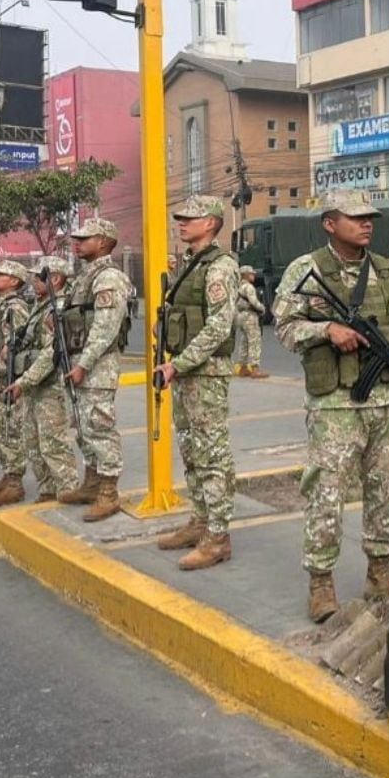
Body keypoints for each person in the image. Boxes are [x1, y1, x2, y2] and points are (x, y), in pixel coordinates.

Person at [274, 191, 389, 623]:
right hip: (335, 406)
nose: (367, 224)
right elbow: (285, 329)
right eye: (356, 217)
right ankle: (321, 581)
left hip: (387, 400)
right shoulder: (304, 270)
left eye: (370, 218)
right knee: (326, 492)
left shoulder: (388, 273)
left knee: (387, 488)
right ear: (330, 222)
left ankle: (380, 574)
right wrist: (327, 329)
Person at [151, 196, 241, 571]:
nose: (182, 223)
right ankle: (201, 520)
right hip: (187, 372)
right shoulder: (191, 264)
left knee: (212, 455)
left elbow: (219, 325)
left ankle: (218, 536)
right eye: (181, 218)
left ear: (212, 223)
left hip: (206, 373)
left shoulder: (219, 268)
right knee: (191, 451)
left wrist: (179, 364)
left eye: (191, 218)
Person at [57, 217, 134, 522]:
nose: (77, 242)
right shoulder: (85, 277)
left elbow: (105, 328)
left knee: (99, 427)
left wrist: (83, 364)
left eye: (85, 238)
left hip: (96, 367)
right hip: (78, 362)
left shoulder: (108, 278)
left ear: (103, 242)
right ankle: (91, 482)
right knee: (83, 427)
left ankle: (108, 492)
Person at [3, 257, 78, 503]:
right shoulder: (40, 305)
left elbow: (51, 353)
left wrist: (24, 381)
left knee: (53, 442)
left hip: (49, 384)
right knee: (33, 442)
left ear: (55, 279)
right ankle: (47, 489)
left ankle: (67, 488)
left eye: (38, 277)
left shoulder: (59, 308)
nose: (33, 281)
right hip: (34, 385)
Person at [0, 259, 33, 506]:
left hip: (5, 378)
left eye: (1, 275)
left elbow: (13, 349)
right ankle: (7, 475)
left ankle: (15, 483)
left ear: (14, 281)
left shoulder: (15, 308)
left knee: (9, 432)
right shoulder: (0, 305)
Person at [232, 265, 268, 378]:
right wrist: (262, 309)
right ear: (246, 275)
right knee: (254, 341)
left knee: (244, 342)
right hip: (250, 315)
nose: (254, 275)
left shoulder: (237, 287)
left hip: (240, 315)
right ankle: (254, 368)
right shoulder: (249, 287)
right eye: (252, 274)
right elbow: (254, 302)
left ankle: (242, 367)